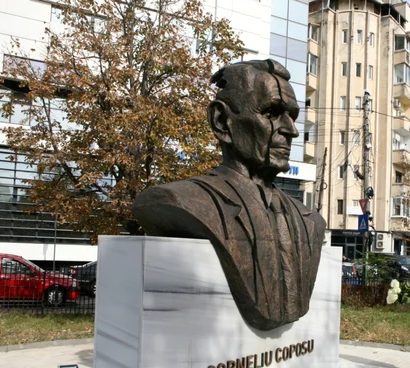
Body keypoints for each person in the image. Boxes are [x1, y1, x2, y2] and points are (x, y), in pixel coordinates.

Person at [133, 59, 327, 331]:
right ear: (222, 121)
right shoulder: (184, 201)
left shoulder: (309, 221)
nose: (291, 130)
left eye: (292, 116)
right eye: (271, 113)